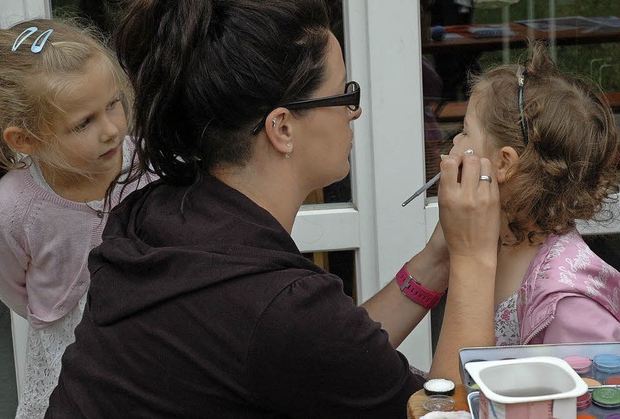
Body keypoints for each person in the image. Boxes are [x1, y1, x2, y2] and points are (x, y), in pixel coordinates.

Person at [46, 1, 500, 417]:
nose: (353, 113)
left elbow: (326, 354)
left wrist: (438, 260)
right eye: (343, 94)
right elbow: (447, 414)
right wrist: (475, 259)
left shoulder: (157, 215)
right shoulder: (277, 305)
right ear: (281, 127)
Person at [0, 18, 153, 418]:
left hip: (149, 344)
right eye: (83, 123)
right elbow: (15, 289)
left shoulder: (152, 169)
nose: (111, 129)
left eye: (112, 104)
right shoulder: (11, 212)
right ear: (26, 140)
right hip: (67, 359)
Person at [449, 41, 620, 347]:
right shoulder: (494, 245)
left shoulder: (566, 301)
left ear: (503, 163)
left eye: (465, 131)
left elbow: (593, 385)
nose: (455, 142)